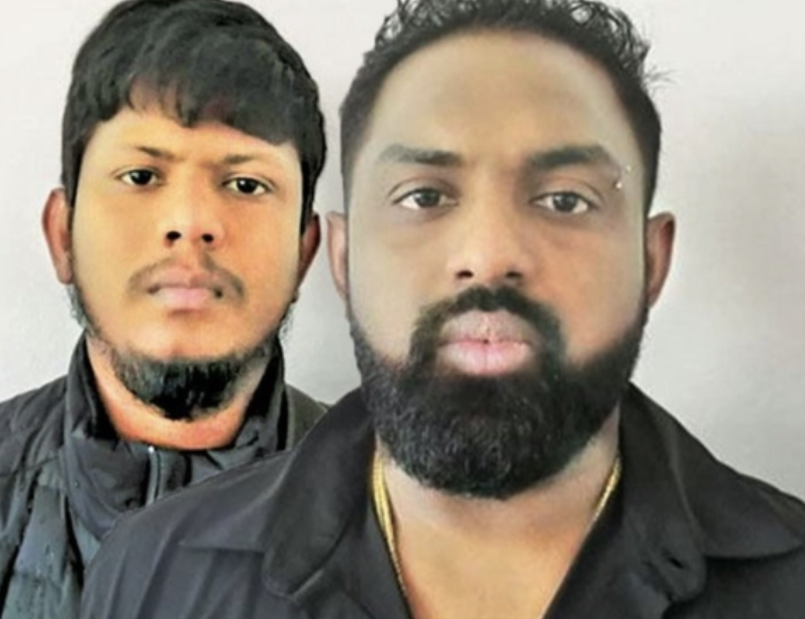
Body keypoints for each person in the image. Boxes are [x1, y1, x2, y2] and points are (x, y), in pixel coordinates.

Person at [82, 0, 805, 617]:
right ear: (343, 257)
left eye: (565, 199)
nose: (488, 255)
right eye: (424, 195)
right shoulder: (155, 574)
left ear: (651, 261)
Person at [0, 0, 328, 616]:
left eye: (245, 184)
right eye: (141, 176)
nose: (189, 223)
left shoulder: (416, 526)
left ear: (303, 253)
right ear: (63, 236)